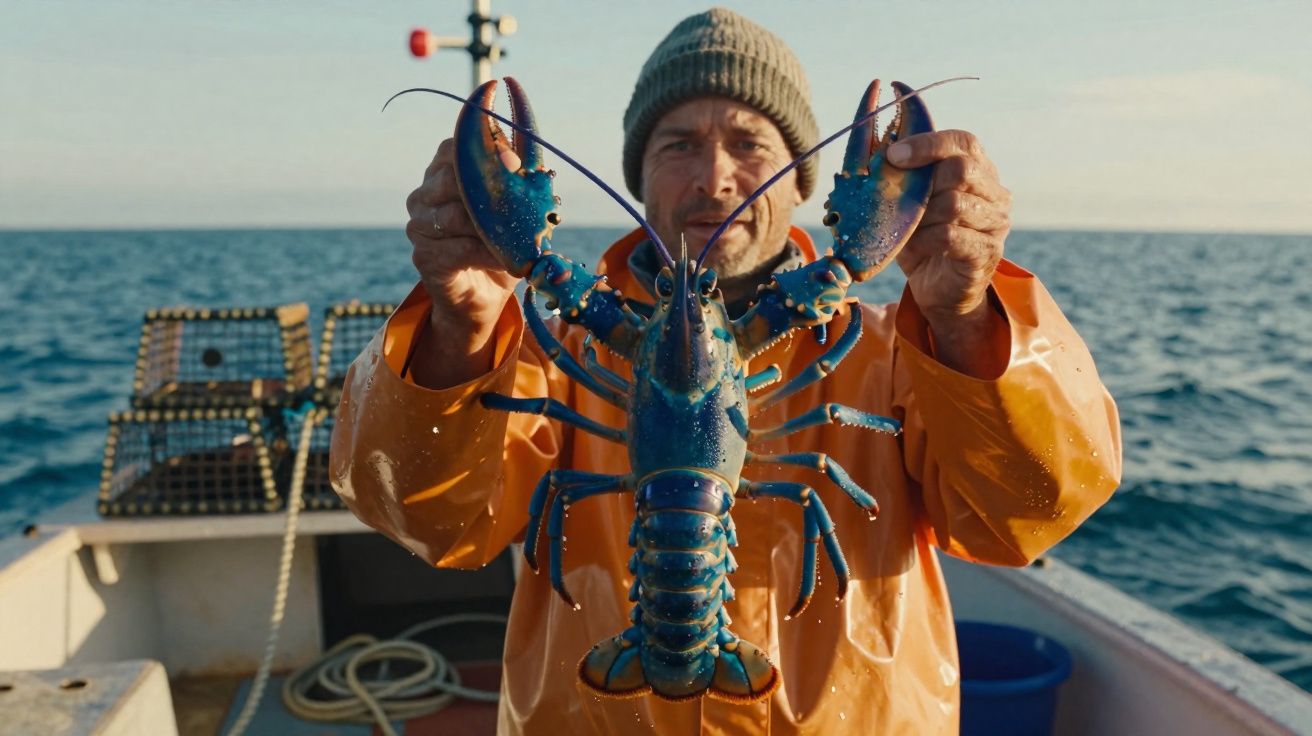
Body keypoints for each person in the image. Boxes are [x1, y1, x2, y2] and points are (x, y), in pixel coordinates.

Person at [331, 7, 1121, 734]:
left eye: (751, 145)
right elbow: (424, 517)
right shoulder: (543, 353)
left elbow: (1032, 509)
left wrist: (966, 321)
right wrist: (458, 333)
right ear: (639, 179)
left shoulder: (896, 350)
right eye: (678, 145)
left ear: (807, 183)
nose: (714, 180)